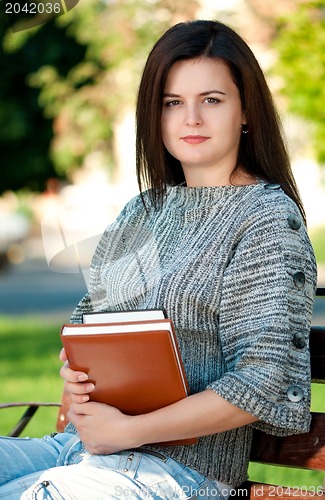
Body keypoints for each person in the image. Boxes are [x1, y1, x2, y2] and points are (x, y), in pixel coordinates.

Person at [0, 19, 317, 500]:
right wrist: (77, 368)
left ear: (246, 110)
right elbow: (89, 325)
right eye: (173, 103)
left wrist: (129, 432)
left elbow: (263, 379)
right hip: (81, 448)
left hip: (177, 471)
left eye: (211, 100)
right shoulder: (142, 212)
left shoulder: (267, 219)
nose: (191, 118)